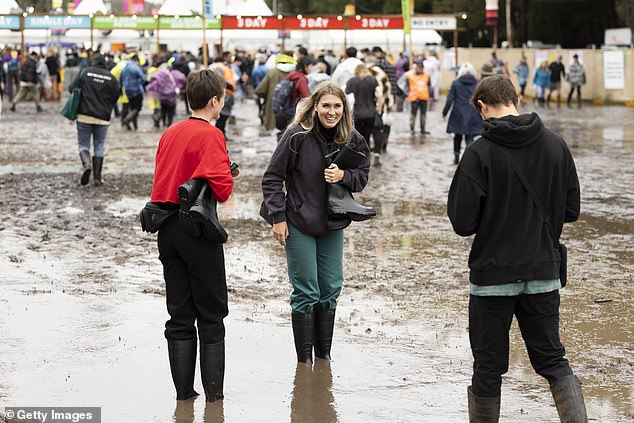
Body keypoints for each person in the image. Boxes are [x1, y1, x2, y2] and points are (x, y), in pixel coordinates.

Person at [447, 75, 586, 422]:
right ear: (516, 99)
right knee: (553, 361)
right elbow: (572, 210)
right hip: (543, 272)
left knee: (488, 368)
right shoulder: (556, 146)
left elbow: (462, 222)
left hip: (492, 277)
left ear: (482, 107)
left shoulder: (478, 152)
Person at [261, 81, 370, 365]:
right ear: (315, 106)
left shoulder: (352, 138)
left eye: (337, 106)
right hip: (298, 221)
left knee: (331, 288)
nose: (331, 112)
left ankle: (324, 358)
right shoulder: (296, 136)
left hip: (333, 222)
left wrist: (344, 176)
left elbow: (362, 174)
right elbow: (272, 177)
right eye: (326, 106)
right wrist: (278, 217)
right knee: (307, 290)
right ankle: (304, 363)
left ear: (344, 109)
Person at [150, 69, 235, 403]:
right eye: (223, 100)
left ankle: (184, 397)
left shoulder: (170, 131)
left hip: (166, 228)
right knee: (212, 315)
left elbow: (163, 176)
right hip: (196, 229)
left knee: (179, 315)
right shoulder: (210, 133)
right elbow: (223, 189)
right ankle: (215, 399)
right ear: (214, 101)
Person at [69, 54, 120, 186]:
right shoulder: (111, 78)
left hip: (84, 115)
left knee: (83, 144)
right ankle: (97, 178)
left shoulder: (85, 72)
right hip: (103, 118)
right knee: (99, 145)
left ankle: (87, 165)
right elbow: (116, 96)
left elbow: (71, 88)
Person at [441, 63, 482, 165]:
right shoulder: (477, 83)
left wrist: (444, 112)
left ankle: (456, 156)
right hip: (473, 113)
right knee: (470, 136)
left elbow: (449, 99)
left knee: (457, 136)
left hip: (458, 113)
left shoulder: (456, 83)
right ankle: (471, 159)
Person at [255, 52, 296, 132]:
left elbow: (259, 90)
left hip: (272, 110)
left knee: (273, 134)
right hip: (291, 113)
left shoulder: (272, 72)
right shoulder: (296, 74)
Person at [345, 64, 378, 151]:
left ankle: (359, 155)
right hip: (371, 112)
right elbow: (378, 95)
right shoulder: (373, 80)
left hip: (357, 113)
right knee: (367, 136)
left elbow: (347, 97)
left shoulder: (351, 81)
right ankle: (367, 153)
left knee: (357, 137)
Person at [397, 60, 431, 135]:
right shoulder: (409, 75)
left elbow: (429, 85)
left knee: (423, 115)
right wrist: (405, 95)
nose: (420, 69)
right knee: (413, 115)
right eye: (419, 67)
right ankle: (412, 129)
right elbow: (402, 85)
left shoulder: (427, 75)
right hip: (414, 98)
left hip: (424, 97)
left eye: (421, 67)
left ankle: (423, 129)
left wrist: (430, 95)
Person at [210, 56, 237, 137]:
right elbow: (221, 80)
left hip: (226, 93)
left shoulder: (219, 67)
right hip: (225, 93)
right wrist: (231, 87)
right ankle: (220, 134)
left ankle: (221, 134)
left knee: (222, 116)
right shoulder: (220, 67)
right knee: (222, 116)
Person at [119, 54, 146, 130]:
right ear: (137, 61)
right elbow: (144, 78)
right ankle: (127, 119)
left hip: (127, 91)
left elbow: (120, 80)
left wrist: (121, 89)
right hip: (136, 90)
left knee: (132, 108)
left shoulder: (124, 68)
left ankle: (134, 126)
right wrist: (140, 83)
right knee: (137, 108)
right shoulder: (135, 67)